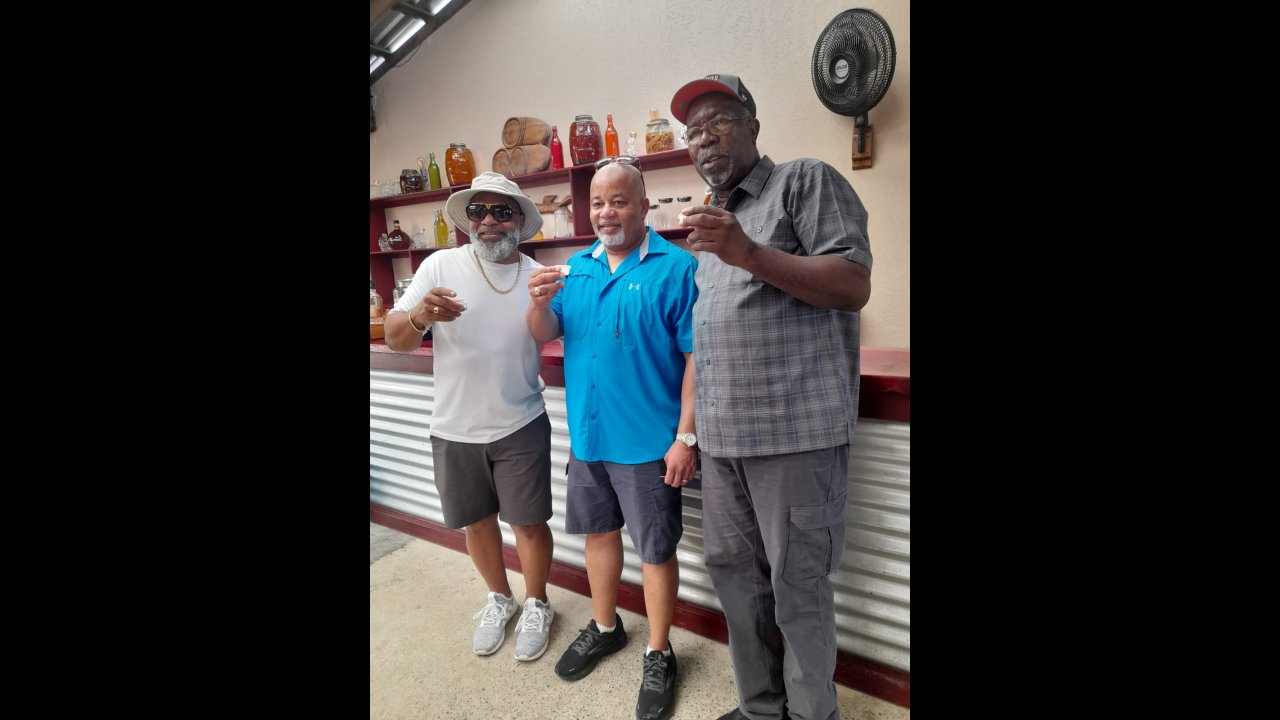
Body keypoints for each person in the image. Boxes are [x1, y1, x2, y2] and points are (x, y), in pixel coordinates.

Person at [669, 74, 873, 720]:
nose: (705, 138)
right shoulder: (711, 224)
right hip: (724, 442)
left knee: (797, 589)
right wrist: (694, 433)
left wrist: (750, 253)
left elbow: (852, 283)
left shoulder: (803, 182)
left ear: (753, 126)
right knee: (736, 581)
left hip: (794, 435)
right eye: (693, 130)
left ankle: (813, 715)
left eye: (719, 120)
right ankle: (761, 709)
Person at [526, 159, 698, 720]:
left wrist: (686, 437)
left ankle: (659, 651)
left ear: (644, 206)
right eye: (598, 203)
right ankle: (605, 627)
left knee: (655, 550)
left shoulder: (678, 268)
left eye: (619, 201)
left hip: (649, 443)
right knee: (598, 535)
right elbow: (546, 331)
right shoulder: (577, 269)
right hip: (590, 436)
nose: (606, 212)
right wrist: (536, 303)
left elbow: (698, 358)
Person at [384, 171, 557, 664]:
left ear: (520, 221)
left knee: (529, 523)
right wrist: (419, 318)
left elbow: (553, 329)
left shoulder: (537, 276)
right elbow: (396, 337)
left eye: (501, 211)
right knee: (477, 524)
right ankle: (499, 598)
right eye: (478, 212)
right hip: (454, 424)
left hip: (521, 419)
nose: (488, 222)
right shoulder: (440, 265)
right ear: (467, 220)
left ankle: (537, 603)